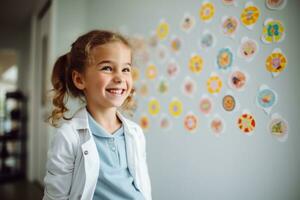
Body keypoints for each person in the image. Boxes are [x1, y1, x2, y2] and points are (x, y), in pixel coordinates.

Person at [43, 30, 151, 200]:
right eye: (107, 68)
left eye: (125, 69)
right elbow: (55, 196)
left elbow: (143, 185)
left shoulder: (136, 133)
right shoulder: (68, 137)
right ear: (79, 80)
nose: (120, 77)